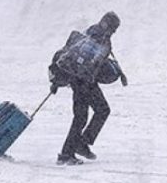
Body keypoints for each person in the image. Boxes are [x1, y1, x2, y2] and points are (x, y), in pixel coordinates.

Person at [51, 12, 127, 165]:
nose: (114, 31)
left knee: (86, 115)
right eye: (113, 28)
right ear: (106, 24)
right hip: (83, 81)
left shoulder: (92, 32)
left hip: (81, 80)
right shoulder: (99, 37)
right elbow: (92, 60)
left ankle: (76, 147)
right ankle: (70, 152)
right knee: (96, 112)